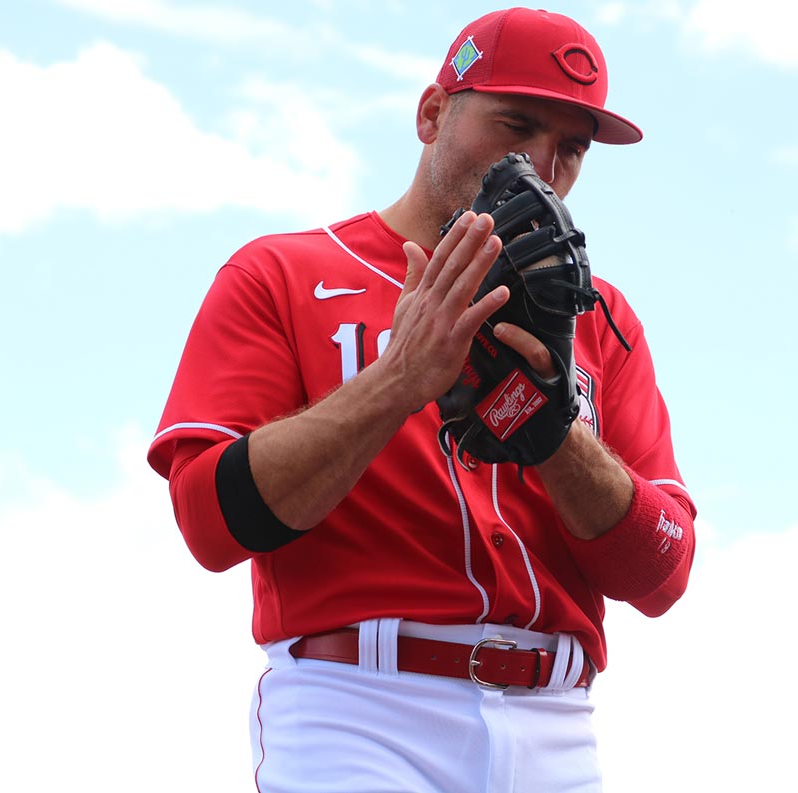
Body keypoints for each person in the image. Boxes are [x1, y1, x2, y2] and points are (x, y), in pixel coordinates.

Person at [148, 7, 696, 792]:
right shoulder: (282, 273)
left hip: (556, 724)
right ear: (432, 113)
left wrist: (554, 436)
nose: (540, 164)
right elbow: (209, 522)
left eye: (568, 148)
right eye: (516, 125)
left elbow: (663, 574)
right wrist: (397, 379)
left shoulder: (600, 320)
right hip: (360, 707)